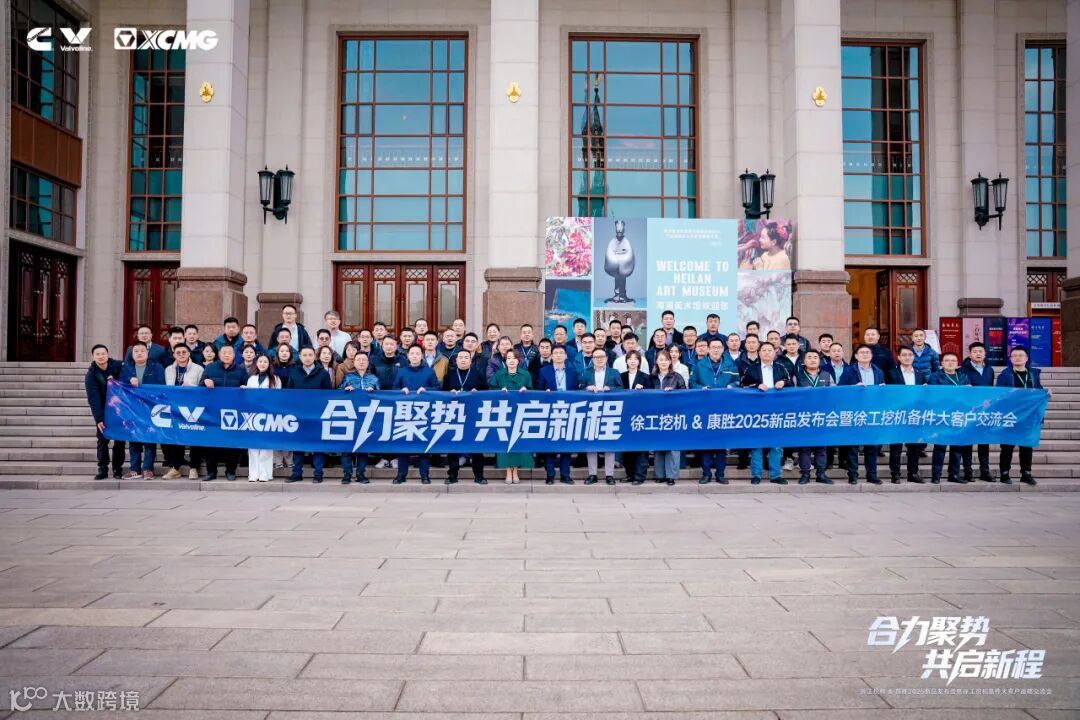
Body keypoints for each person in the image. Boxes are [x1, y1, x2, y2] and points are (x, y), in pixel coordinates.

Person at [740, 342, 791, 485]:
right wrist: (757, 386)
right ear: (759, 353)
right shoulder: (752, 369)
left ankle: (775, 475)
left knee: (776, 444)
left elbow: (790, 383)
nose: (767, 352)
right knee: (757, 444)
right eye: (764, 350)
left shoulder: (781, 368)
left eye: (770, 350)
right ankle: (756, 474)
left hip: (776, 411)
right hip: (757, 411)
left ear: (775, 353)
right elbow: (743, 384)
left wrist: (783, 383)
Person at [692, 338, 741, 484]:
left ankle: (720, 474)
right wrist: (700, 388)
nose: (716, 350)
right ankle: (706, 474)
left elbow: (737, 381)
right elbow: (692, 383)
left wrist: (731, 387)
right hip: (705, 408)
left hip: (723, 409)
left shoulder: (730, 364)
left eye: (719, 347)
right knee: (706, 443)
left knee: (721, 443)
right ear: (708, 349)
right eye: (713, 347)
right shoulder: (699, 365)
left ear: (723, 349)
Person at [392, 345, 441, 484]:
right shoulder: (402, 371)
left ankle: (424, 475)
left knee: (423, 446)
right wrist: (401, 390)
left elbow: (438, 388)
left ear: (421, 356)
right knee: (403, 446)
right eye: (412, 353)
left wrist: (426, 389)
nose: (414, 356)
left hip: (423, 413)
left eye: (417, 353)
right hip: (405, 413)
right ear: (408, 356)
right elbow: (394, 388)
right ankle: (401, 475)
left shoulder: (429, 371)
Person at [838, 344, 886, 485]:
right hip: (855, 412)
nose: (865, 354)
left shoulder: (878, 371)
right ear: (856, 356)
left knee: (872, 447)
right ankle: (853, 475)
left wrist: (883, 390)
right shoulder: (849, 371)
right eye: (862, 352)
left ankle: (872, 475)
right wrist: (853, 388)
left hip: (872, 412)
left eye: (867, 352)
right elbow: (840, 389)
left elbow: (883, 392)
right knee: (853, 447)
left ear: (871, 356)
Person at [284, 347, 332, 484]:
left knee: (317, 446)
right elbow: (289, 394)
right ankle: (297, 473)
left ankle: (318, 474)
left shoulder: (322, 373)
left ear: (314, 357)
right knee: (298, 446)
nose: (307, 357)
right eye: (304, 355)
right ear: (299, 356)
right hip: (298, 415)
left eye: (310, 355)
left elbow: (328, 395)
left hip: (317, 416)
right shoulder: (294, 373)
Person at [997, 346, 1043, 486]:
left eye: (1021, 355)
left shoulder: (1033, 374)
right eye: (1014, 355)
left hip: (1028, 416)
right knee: (1007, 446)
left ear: (1026, 358)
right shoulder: (1004, 375)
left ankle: (1026, 473)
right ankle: (1004, 473)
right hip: (1010, 415)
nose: (1018, 358)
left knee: (1026, 446)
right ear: (1010, 359)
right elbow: (999, 395)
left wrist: (1045, 393)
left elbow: (1038, 390)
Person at [119, 341, 165, 480]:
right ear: (132, 354)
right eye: (136, 351)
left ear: (147, 353)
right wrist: (128, 379)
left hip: (150, 408)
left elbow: (161, 385)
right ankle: (135, 469)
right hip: (132, 408)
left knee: (150, 439)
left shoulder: (157, 367)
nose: (139, 353)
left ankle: (148, 469)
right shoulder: (126, 367)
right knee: (134, 439)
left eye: (142, 351)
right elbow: (120, 384)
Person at [201, 344, 247, 481]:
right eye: (224, 352)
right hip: (213, 412)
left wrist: (244, 387)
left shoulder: (241, 370)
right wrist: (205, 382)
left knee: (232, 443)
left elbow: (247, 389)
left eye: (230, 353)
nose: (227, 355)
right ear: (219, 355)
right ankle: (211, 471)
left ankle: (230, 471)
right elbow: (200, 387)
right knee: (211, 442)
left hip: (232, 412)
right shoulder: (210, 368)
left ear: (234, 355)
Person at [442, 349, 488, 485]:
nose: (463, 360)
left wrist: (477, 393)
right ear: (456, 361)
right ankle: (452, 475)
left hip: (473, 415)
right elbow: (442, 393)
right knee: (453, 447)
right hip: (454, 415)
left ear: (470, 360)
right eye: (460, 357)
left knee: (476, 447)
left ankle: (479, 476)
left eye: (466, 357)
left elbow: (487, 392)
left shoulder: (478, 374)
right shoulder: (449, 375)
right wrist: (449, 393)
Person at [927, 352, 972, 484]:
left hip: (958, 416)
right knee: (940, 447)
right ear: (942, 363)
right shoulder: (935, 377)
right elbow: (934, 395)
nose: (950, 363)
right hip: (943, 416)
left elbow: (968, 397)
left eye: (953, 360)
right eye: (947, 360)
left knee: (957, 447)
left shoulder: (963, 377)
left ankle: (954, 474)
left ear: (957, 364)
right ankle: (936, 475)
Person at [489, 349, 534, 485]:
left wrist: (526, 390)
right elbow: (491, 390)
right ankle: (508, 470)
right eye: (508, 358)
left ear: (518, 360)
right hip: (504, 413)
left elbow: (532, 391)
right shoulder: (499, 374)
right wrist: (499, 392)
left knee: (518, 442)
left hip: (521, 413)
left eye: (514, 358)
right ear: (505, 360)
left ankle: (516, 471)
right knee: (505, 442)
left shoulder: (525, 374)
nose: (511, 361)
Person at [580, 347, 623, 485]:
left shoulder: (614, 372)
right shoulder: (586, 373)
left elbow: (621, 389)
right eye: (596, 357)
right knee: (592, 445)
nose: (599, 359)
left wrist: (611, 389)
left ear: (606, 358)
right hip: (591, 412)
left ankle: (609, 475)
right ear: (592, 359)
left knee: (609, 444)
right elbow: (578, 389)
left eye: (601, 357)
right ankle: (592, 474)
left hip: (609, 412)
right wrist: (586, 389)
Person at [886, 346, 928, 484]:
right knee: (896, 446)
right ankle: (895, 474)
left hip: (914, 414)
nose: (907, 357)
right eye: (904, 355)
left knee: (914, 447)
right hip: (898, 413)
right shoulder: (891, 373)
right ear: (898, 357)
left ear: (914, 357)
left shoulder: (920, 374)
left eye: (910, 355)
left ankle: (913, 473)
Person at [161, 344, 205, 480]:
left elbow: (203, 389)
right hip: (174, 408)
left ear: (189, 353)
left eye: (184, 352)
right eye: (178, 352)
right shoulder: (168, 369)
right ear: (174, 354)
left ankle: (194, 467)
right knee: (175, 437)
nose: (181, 354)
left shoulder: (198, 369)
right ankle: (175, 468)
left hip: (193, 407)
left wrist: (191, 386)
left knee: (194, 436)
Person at [538, 346, 578, 484]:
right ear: (551, 356)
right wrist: (545, 394)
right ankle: (550, 474)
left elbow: (577, 392)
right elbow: (538, 391)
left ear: (566, 356)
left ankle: (565, 474)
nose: (559, 355)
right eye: (556, 353)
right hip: (551, 412)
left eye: (561, 353)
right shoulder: (544, 371)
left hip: (568, 411)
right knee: (550, 445)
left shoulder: (573, 372)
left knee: (566, 445)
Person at [85, 344, 125, 480]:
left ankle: (117, 468)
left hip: (119, 409)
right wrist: (99, 419)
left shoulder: (118, 366)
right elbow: (93, 398)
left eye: (103, 353)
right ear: (93, 356)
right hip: (103, 410)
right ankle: (102, 469)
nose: (101, 356)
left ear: (107, 354)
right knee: (102, 441)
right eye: (98, 354)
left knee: (120, 440)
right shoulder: (91, 375)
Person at [338, 352, 378, 485]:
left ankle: (361, 474)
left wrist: (374, 391)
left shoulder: (373, 378)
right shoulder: (348, 377)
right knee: (346, 448)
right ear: (354, 362)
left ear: (368, 363)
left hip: (366, 417)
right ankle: (347, 474)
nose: (361, 362)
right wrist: (345, 389)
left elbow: (381, 395)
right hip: (349, 416)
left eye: (364, 360)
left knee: (362, 447)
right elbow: (338, 393)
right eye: (358, 360)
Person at [794, 349, 833, 485]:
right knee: (804, 447)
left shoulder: (827, 375)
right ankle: (805, 474)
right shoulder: (797, 376)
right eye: (809, 357)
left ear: (819, 360)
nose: (812, 359)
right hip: (804, 416)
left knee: (821, 447)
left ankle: (821, 474)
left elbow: (834, 394)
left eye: (815, 357)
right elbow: (792, 396)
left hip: (822, 416)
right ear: (804, 361)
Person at [960, 342, 996, 482]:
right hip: (968, 411)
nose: (978, 354)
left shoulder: (989, 370)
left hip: (984, 411)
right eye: (974, 351)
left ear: (985, 354)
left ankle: (984, 471)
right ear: (970, 354)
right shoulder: (962, 370)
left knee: (984, 442)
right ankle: (967, 471)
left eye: (980, 351)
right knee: (967, 442)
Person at [650, 349, 685, 486]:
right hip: (656, 415)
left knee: (672, 446)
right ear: (656, 362)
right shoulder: (651, 377)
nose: (663, 362)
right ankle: (659, 474)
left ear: (670, 361)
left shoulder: (677, 377)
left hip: (673, 416)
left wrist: (674, 393)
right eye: (661, 360)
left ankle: (671, 475)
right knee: (659, 446)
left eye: (666, 359)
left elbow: (684, 395)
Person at [244, 354, 280, 482]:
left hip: (269, 415)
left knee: (266, 446)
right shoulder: (251, 379)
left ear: (269, 364)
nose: (262, 364)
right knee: (253, 446)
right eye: (260, 361)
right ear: (256, 363)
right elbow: (248, 397)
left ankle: (265, 474)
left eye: (265, 361)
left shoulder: (275, 379)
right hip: (253, 415)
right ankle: (253, 474)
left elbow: (278, 398)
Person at [619, 350, 653, 485]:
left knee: (641, 448)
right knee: (627, 448)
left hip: (641, 417)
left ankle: (639, 476)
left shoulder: (646, 377)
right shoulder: (621, 376)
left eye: (635, 359)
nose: (632, 361)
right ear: (626, 361)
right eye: (630, 359)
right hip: (625, 417)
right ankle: (630, 475)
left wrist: (643, 390)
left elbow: (652, 396)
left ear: (639, 362)